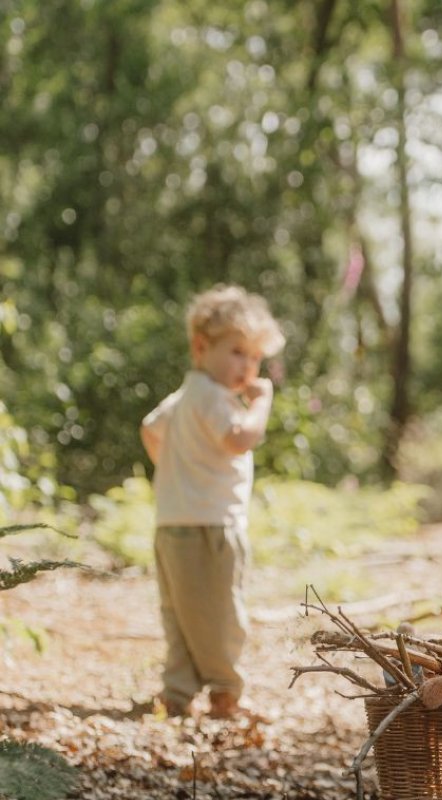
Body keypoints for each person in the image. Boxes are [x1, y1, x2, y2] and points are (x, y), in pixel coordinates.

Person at [140, 284, 285, 719]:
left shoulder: (186, 396)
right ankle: (225, 691)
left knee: (180, 615)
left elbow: (150, 429)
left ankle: (177, 692)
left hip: (172, 523)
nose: (248, 366)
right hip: (212, 525)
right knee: (222, 614)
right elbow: (240, 439)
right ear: (202, 347)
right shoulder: (214, 397)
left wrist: (177, 470)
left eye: (256, 358)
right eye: (238, 352)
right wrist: (262, 403)